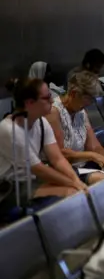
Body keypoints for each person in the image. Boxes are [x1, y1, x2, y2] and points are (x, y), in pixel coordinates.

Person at [0, 78, 86, 209]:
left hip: (33, 180)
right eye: (47, 98)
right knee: (73, 194)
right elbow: (38, 168)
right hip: (10, 189)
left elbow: (57, 159)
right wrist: (74, 184)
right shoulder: (8, 130)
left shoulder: (41, 122)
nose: (52, 101)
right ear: (30, 103)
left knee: (76, 184)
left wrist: (75, 180)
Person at [46, 71, 104, 185]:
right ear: (74, 94)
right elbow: (60, 154)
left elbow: (94, 146)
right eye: (90, 98)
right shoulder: (54, 112)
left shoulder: (81, 112)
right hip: (65, 169)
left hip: (84, 164)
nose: (91, 103)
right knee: (101, 180)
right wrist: (91, 155)